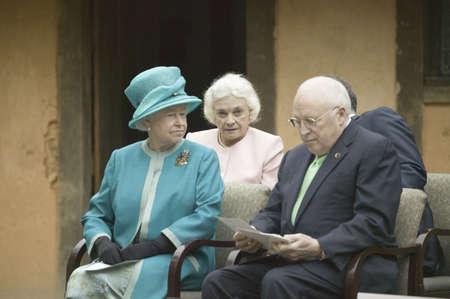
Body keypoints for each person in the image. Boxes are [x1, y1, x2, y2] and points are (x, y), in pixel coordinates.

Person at [202, 76, 401, 299]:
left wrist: (319, 246)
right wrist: (256, 233)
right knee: (220, 281)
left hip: (344, 262)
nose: (303, 131)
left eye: (311, 121)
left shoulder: (373, 149)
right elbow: (273, 211)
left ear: (341, 115)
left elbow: (374, 221)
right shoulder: (295, 157)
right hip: (292, 262)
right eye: (296, 121)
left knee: (279, 282)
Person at [65, 66, 224, 299]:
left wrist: (156, 245)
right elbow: (96, 214)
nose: (181, 122)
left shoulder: (202, 158)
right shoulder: (122, 158)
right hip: (123, 257)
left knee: (125, 278)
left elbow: (207, 215)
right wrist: (102, 243)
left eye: (183, 114)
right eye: (171, 114)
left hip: (180, 258)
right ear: (148, 119)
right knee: (81, 277)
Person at [330, 75, 444, 277]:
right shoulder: (317, 149)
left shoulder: (377, 120)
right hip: (342, 250)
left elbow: (411, 174)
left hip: (404, 252)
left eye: (312, 114)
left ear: (338, 109)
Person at [186, 73, 283, 190]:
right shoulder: (194, 142)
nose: (230, 121)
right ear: (212, 115)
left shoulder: (269, 145)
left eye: (238, 112)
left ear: (250, 111)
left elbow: (271, 198)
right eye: (222, 113)